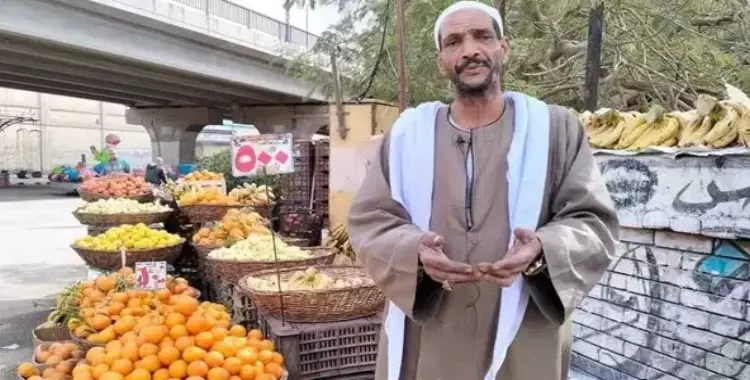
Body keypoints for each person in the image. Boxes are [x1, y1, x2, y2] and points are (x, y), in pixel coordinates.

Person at [347, 2, 620, 380]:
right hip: (432, 329)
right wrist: (414, 252)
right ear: (442, 60)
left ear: (503, 49)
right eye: (455, 41)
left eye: (482, 36)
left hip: (524, 327)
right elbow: (370, 220)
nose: (470, 49)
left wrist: (542, 248)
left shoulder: (556, 130)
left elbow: (593, 222)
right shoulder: (407, 136)